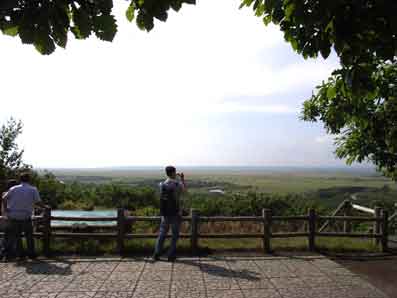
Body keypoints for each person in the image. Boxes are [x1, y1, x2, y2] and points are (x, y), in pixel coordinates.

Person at [3, 172, 48, 260]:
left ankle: (20, 255)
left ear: (20, 179)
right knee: (29, 236)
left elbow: (4, 198)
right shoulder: (33, 189)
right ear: (29, 179)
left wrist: (6, 209)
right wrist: (45, 207)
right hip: (26, 215)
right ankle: (31, 254)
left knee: (17, 237)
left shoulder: (13, 188)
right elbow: (38, 202)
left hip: (14, 215)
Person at [153, 166, 186, 262]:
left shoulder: (162, 184)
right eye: (175, 172)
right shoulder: (177, 184)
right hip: (175, 213)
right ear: (173, 173)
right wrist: (182, 179)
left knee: (162, 233)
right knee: (175, 234)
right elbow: (184, 191)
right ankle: (170, 255)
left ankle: (156, 254)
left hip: (165, 213)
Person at [0, 179, 18, 260]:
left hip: (5, 217)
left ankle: (5, 253)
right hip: (11, 217)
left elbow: (3, 207)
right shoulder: (16, 194)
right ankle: (9, 253)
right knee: (12, 236)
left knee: (6, 236)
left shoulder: (4, 193)